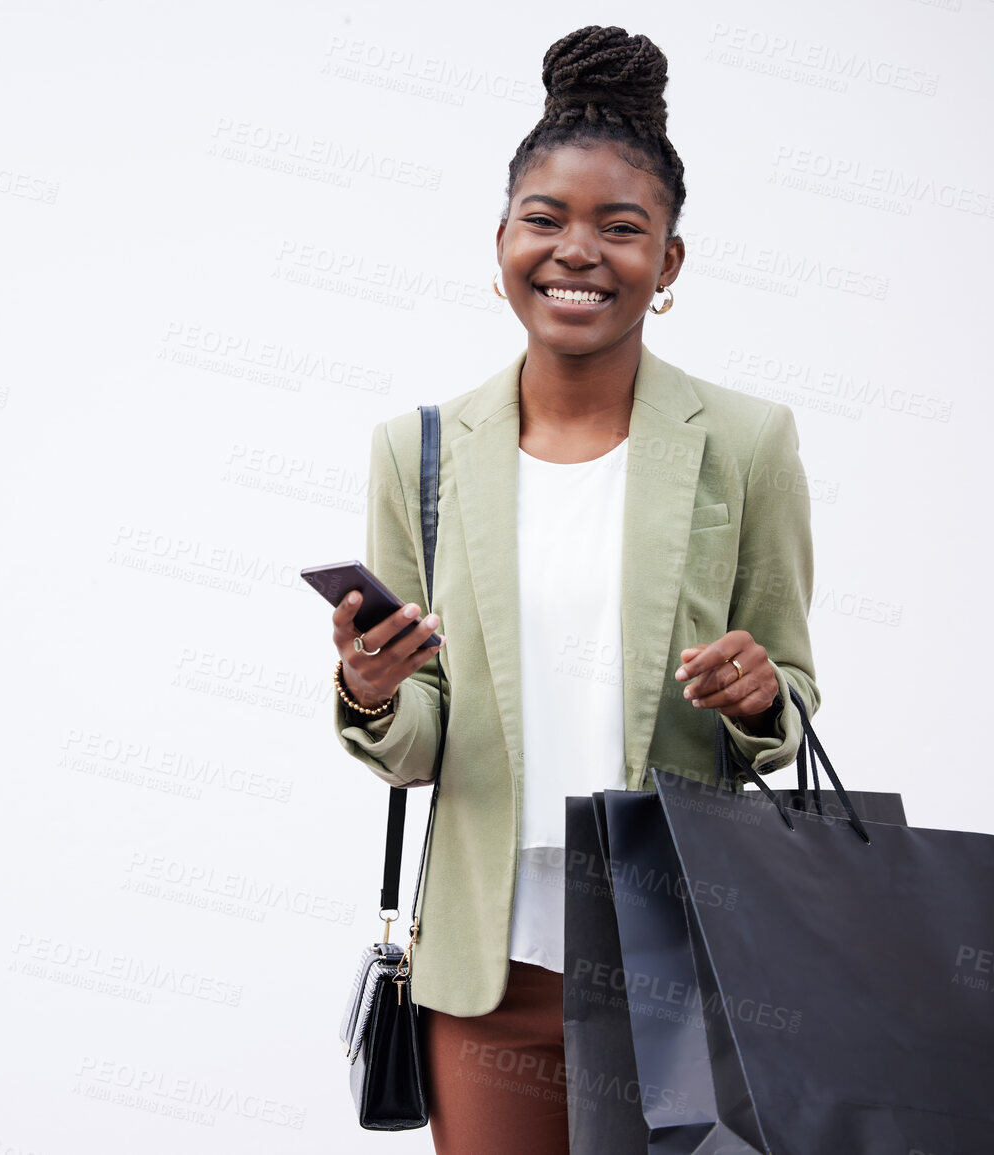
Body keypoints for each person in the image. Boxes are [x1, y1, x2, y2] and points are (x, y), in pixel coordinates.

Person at [325, 26, 818, 1155]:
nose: (576, 252)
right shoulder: (423, 451)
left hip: (681, 962)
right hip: (482, 967)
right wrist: (371, 688)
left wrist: (754, 698)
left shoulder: (745, 444)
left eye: (621, 227)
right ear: (500, 240)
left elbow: (787, 703)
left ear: (672, 262)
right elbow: (417, 742)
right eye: (544, 220)